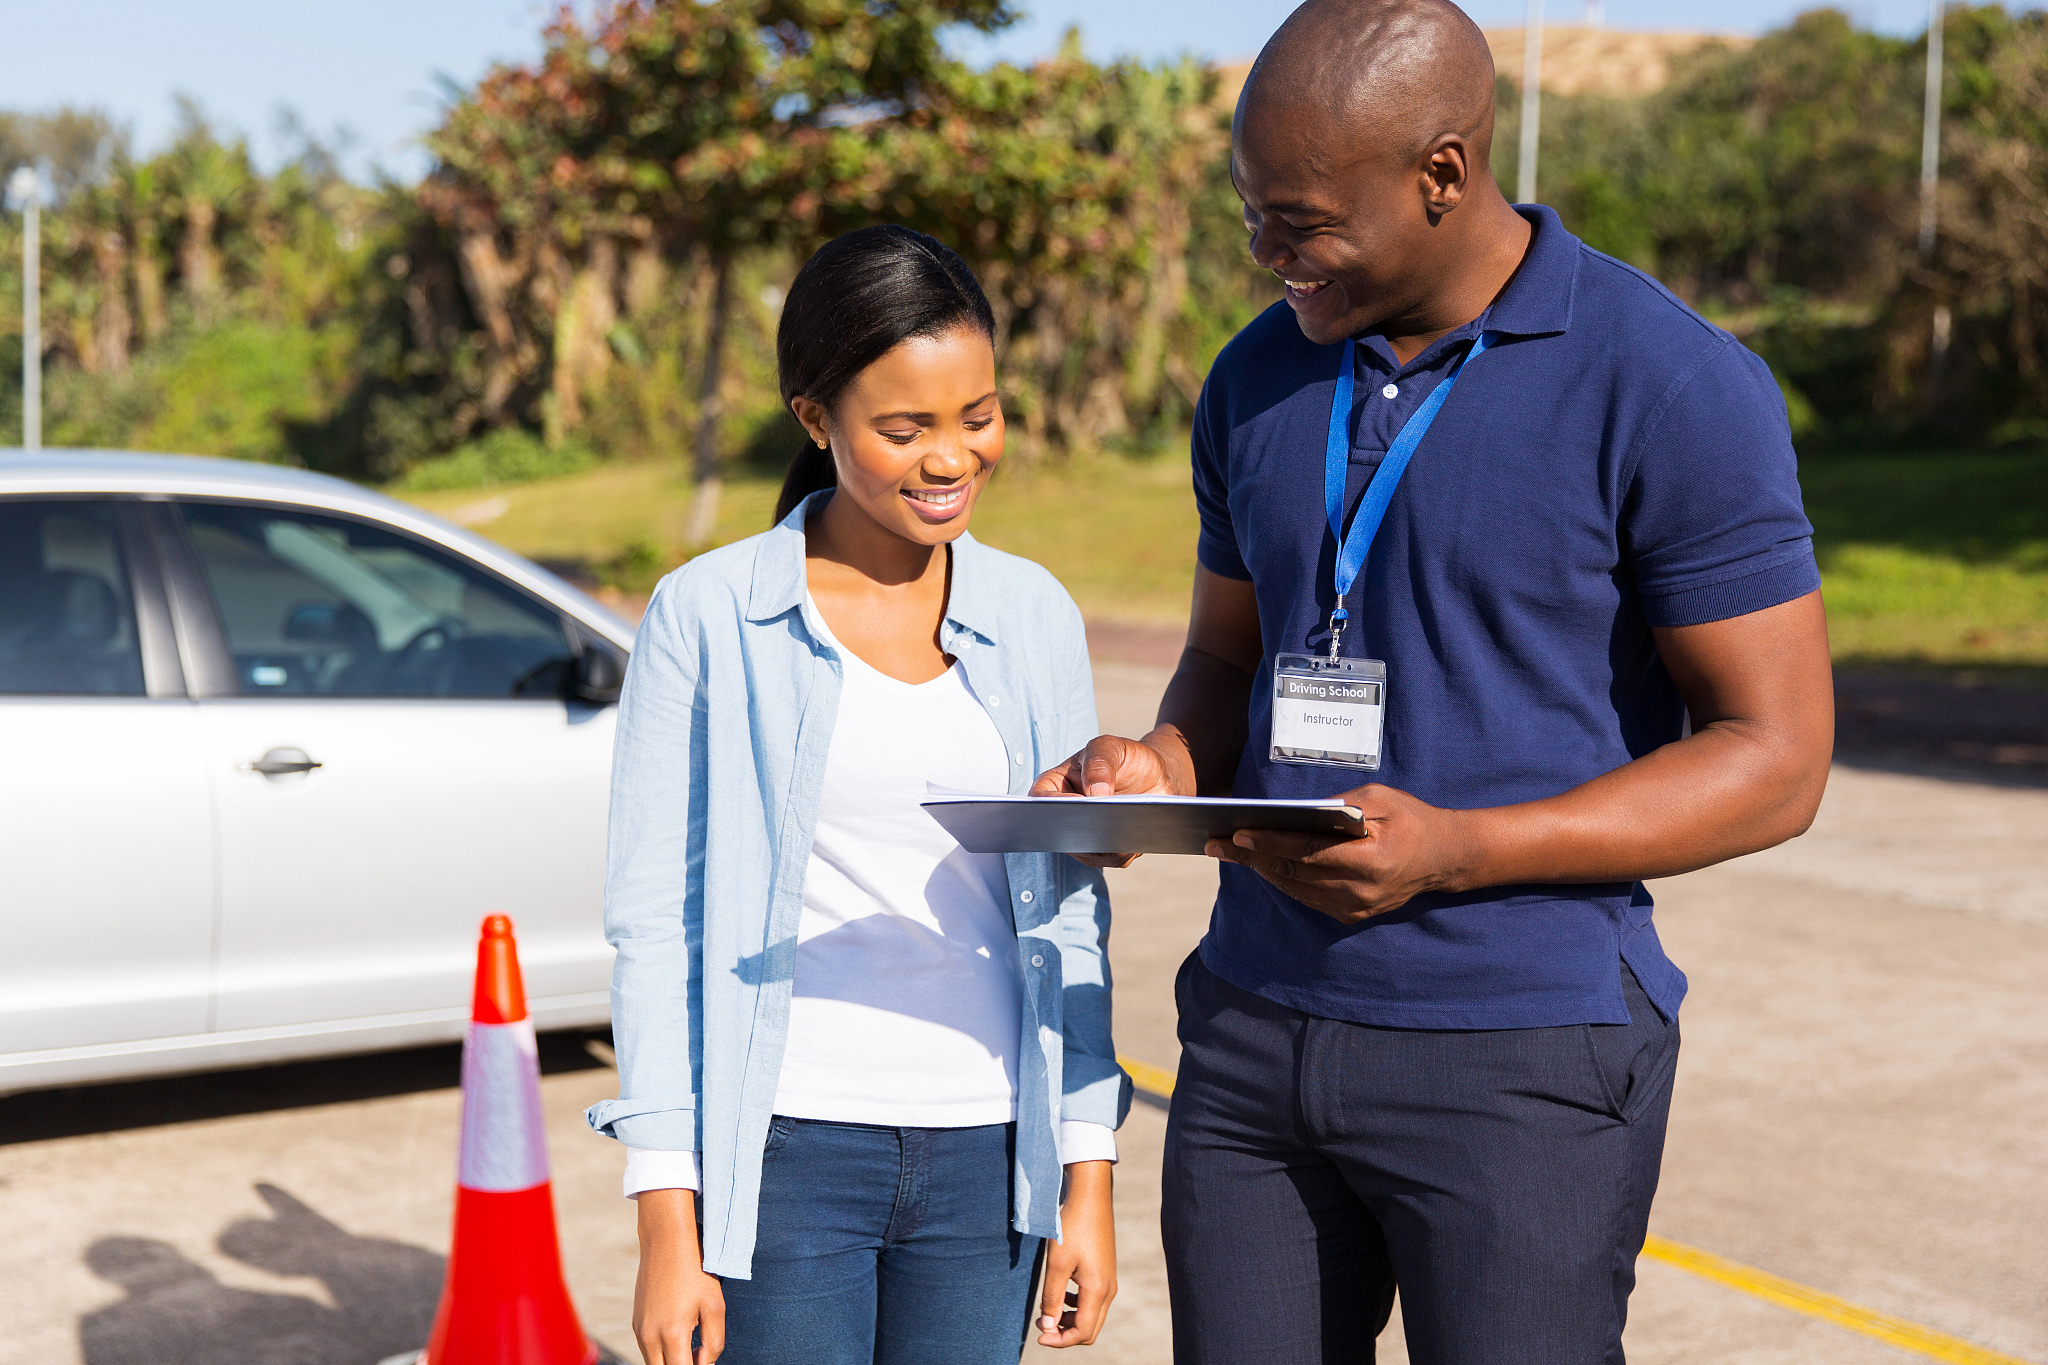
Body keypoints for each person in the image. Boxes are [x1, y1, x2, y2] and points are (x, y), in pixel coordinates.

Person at [1033, 2, 1835, 1361]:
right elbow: (1230, 654)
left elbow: (1777, 757)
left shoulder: (1672, 382)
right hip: (1250, 1034)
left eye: (1297, 221)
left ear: (1444, 174)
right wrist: (1162, 767)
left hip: (1521, 1050)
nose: (1264, 253)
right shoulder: (1254, 378)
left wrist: (1463, 850)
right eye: (1248, 214)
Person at [589, 225, 1128, 1365]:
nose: (951, 459)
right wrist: (664, 1222)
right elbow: (656, 931)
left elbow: (1074, 914)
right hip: (782, 1153)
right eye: (904, 429)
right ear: (813, 420)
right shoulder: (707, 616)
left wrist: (1087, 1181)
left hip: (989, 1159)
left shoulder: (1034, 616)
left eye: (977, 416)